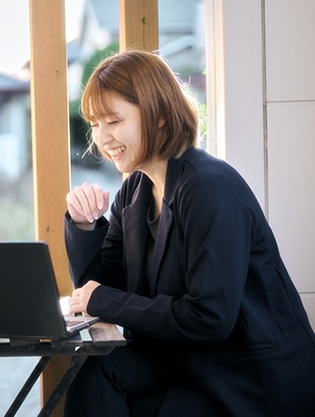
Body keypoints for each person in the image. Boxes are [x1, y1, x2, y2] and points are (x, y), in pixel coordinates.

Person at [63, 50, 315, 416]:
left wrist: (102, 299)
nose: (101, 138)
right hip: (187, 361)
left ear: (160, 115)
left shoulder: (210, 189)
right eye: (95, 124)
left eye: (113, 121)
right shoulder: (135, 189)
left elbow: (208, 318)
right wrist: (84, 225)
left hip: (245, 378)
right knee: (99, 370)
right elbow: (98, 290)